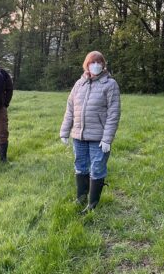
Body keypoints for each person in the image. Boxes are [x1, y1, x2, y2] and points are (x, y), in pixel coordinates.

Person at [59, 51, 121, 213]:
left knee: (97, 168)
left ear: (103, 65)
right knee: (80, 166)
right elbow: (70, 110)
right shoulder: (79, 84)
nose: (96, 65)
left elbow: (114, 114)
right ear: (86, 64)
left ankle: (92, 204)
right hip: (79, 136)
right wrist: (65, 132)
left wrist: (107, 139)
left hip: (99, 137)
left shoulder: (110, 84)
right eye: (92, 62)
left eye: (99, 62)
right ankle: (81, 198)